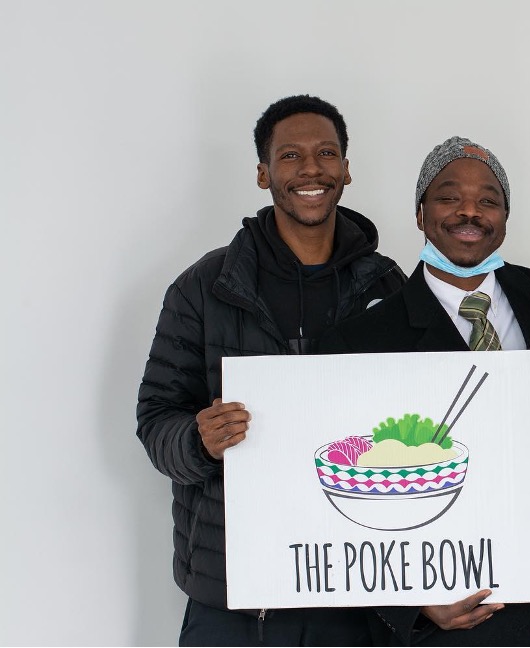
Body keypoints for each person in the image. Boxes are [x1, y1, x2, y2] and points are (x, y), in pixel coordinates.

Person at [136, 94, 406, 646]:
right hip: (235, 600)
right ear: (263, 173)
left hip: (356, 589)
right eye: (290, 156)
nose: (311, 169)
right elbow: (155, 420)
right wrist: (197, 440)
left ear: (346, 170)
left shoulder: (387, 286)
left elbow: (413, 419)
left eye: (326, 153)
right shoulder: (204, 287)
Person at [318, 136, 530, 646]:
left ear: (505, 217)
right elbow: (344, 499)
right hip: (455, 625)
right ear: (421, 214)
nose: (470, 210)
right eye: (449, 196)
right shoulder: (362, 340)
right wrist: (409, 600)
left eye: (489, 199)